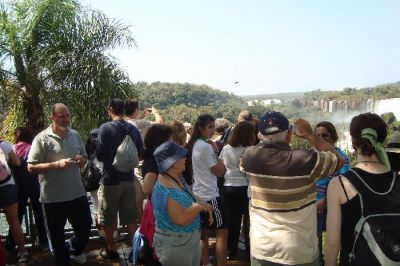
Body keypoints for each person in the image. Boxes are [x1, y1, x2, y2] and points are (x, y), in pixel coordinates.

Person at [241, 111, 344, 266]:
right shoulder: (306, 160)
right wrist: (310, 135)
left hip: (262, 248)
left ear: (260, 135)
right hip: (299, 251)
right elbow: (338, 161)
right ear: (290, 134)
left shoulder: (248, 157)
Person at [325, 113, 400, 266]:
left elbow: (332, 243)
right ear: (382, 140)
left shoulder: (339, 184)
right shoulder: (397, 181)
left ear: (353, 142)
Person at [27, 103, 92, 266]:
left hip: (77, 193)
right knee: (56, 238)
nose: (65, 119)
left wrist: (81, 160)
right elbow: (31, 167)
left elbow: (84, 158)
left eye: (67, 115)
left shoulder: (75, 135)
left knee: (85, 229)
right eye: (61, 116)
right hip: (53, 198)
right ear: (53, 117)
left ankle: (73, 249)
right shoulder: (41, 138)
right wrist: (56, 165)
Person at [152, 141, 213, 266]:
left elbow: (189, 194)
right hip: (175, 243)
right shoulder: (166, 187)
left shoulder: (176, 177)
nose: (185, 158)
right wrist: (199, 206)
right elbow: (180, 219)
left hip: (185, 240)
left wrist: (205, 204)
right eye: (181, 156)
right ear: (172, 162)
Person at [96, 99, 143, 261]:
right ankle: (134, 248)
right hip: (129, 179)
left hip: (111, 179)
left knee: (108, 216)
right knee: (130, 216)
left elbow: (100, 155)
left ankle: (111, 249)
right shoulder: (133, 128)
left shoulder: (105, 128)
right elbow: (140, 151)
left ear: (110, 110)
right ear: (124, 110)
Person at [187, 114, 227, 266]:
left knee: (203, 234)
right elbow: (219, 171)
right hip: (211, 195)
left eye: (213, 127)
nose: (213, 130)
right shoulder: (205, 146)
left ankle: (205, 263)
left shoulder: (196, 143)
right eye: (210, 127)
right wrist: (220, 157)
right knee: (222, 233)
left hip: (199, 194)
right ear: (201, 128)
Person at [6, 127, 48, 252]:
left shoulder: (12, 149)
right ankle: (43, 242)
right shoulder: (32, 148)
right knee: (39, 214)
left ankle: (10, 245)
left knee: (16, 218)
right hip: (35, 185)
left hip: (19, 187)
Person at [314, 121, 350, 263]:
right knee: (314, 243)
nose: (321, 138)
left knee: (333, 240)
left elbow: (344, 184)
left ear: (333, 137)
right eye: (317, 136)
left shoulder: (342, 158)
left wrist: (326, 201)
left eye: (325, 135)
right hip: (314, 205)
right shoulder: (313, 156)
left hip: (333, 206)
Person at [219, 121, 255, 261]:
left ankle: (230, 250)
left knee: (232, 221)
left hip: (230, 186)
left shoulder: (227, 148)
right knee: (249, 221)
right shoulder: (252, 150)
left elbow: (221, 167)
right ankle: (250, 250)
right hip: (247, 187)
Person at [0, 138, 29, 263]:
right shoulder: (4, 145)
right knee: (14, 222)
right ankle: (23, 252)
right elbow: (17, 163)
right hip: (7, 186)